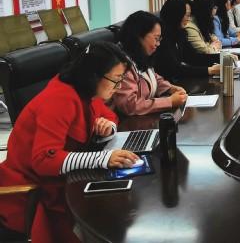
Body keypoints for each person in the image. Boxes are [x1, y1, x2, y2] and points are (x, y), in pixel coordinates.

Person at [0, 42, 139, 243]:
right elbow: (44, 160)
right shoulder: (60, 98)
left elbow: (108, 116)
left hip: (62, 182)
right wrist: (102, 158)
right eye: (116, 80)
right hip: (30, 193)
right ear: (94, 76)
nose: (118, 88)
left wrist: (107, 127)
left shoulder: (85, 91)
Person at [111, 11, 188, 116]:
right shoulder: (120, 63)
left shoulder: (140, 55)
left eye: (160, 39)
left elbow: (153, 77)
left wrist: (170, 88)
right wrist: (169, 101)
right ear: (139, 35)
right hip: (128, 122)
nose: (158, 44)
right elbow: (130, 105)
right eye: (156, 38)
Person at [155, 0, 221, 81]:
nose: (189, 19)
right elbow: (175, 69)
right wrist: (210, 70)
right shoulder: (162, 37)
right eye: (187, 15)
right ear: (175, 15)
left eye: (189, 15)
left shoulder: (180, 33)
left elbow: (193, 57)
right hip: (167, 83)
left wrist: (222, 57)